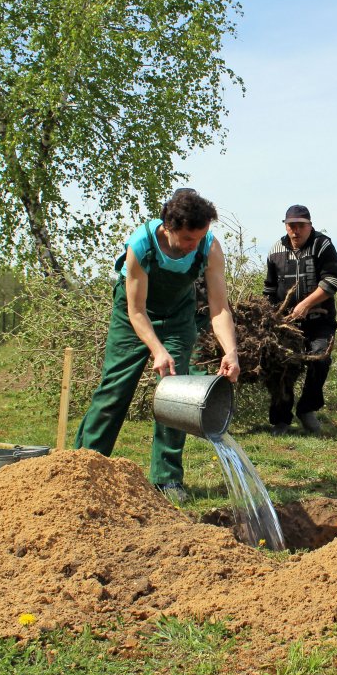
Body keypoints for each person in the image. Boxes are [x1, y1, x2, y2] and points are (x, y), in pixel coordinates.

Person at [75, 189, 241, 501]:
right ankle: (84, 467)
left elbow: (219, 308)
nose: (195, 245)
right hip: (134, 316)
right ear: (169, 227)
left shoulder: (209, 245)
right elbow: (136, 311)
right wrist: (156, 349)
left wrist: (230, 350)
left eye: (200, 237)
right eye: (189, 239)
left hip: (178, 316)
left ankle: (167, 479)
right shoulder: (141, 245)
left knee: (175, 392)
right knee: (114, 389)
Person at [264, 204, 337, 435]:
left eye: (300, 226)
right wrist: (270, 318)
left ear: (310, 226)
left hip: (320, 319)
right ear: (286, 226)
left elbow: (332, 282)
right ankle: (281, 420)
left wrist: (306, 304)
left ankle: (307, 409)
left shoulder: (323, 245)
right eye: (291, 226)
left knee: (320, 359)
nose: (296, 231)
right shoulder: (275, 250)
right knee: (281, 367)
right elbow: (269, 289)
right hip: (286, 323)